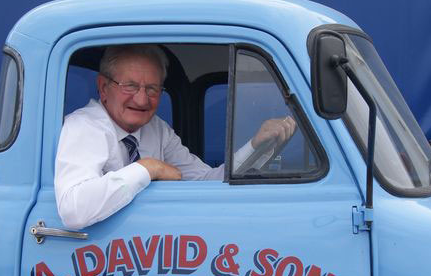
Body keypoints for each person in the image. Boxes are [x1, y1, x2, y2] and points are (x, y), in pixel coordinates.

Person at [55, 44, 295, 229]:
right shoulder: (84, 126)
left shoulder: (156, 128)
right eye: (130, 86)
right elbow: (73, 210)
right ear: (104, 87)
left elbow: (205, 181)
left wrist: (256, 147)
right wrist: (147, 169)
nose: (141, 99)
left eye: (152, 89)